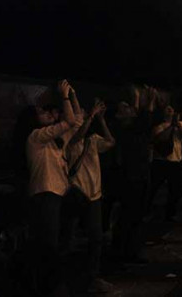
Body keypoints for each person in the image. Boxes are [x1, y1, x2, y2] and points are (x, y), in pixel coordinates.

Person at [25, 80, 83, 294]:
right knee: (48, 244)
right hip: (45, 194)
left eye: (50, 112)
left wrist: (73, 96)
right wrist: (65, 96)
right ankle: (49, 286)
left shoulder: (55, 141)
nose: (49, 114)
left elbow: (77, 122)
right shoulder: (35, 137)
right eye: (43, 112)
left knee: (59, 242)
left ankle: (55, 283)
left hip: (57, 194)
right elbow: (69, 121)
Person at [63, 99, 116, 294]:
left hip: (94, 193)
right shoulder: (68, 137)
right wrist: (92, 116)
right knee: (68, 237)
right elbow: (77, 136)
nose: (83, 114)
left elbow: (111, 142)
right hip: (77, 191)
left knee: (95, 238)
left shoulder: (92, 139)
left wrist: (101, 120)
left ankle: (92, 277)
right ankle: (62, 278)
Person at [110, 85, 154, 264]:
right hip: (131, 177)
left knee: (135, 215)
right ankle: (123, 252)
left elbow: (142, 119)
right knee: (129, 215)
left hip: (139, 174)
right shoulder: (124, 128)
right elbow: (144, 119)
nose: (129, 109)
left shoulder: (131, 127)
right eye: (124, 108)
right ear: (118, 115)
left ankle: (129, 250)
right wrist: (142, 99)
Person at [149, 104, 182, 222]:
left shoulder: (180, 124)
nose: (170, 110)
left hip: (176, 161)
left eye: (172, 109)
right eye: (167, 109)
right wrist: (171, 126)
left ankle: (170, 214)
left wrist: (178, 125)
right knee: (154, 188)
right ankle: (149, 211)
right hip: (161, 161)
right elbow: (160, 138)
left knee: (175, 189)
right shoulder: (159, 126)